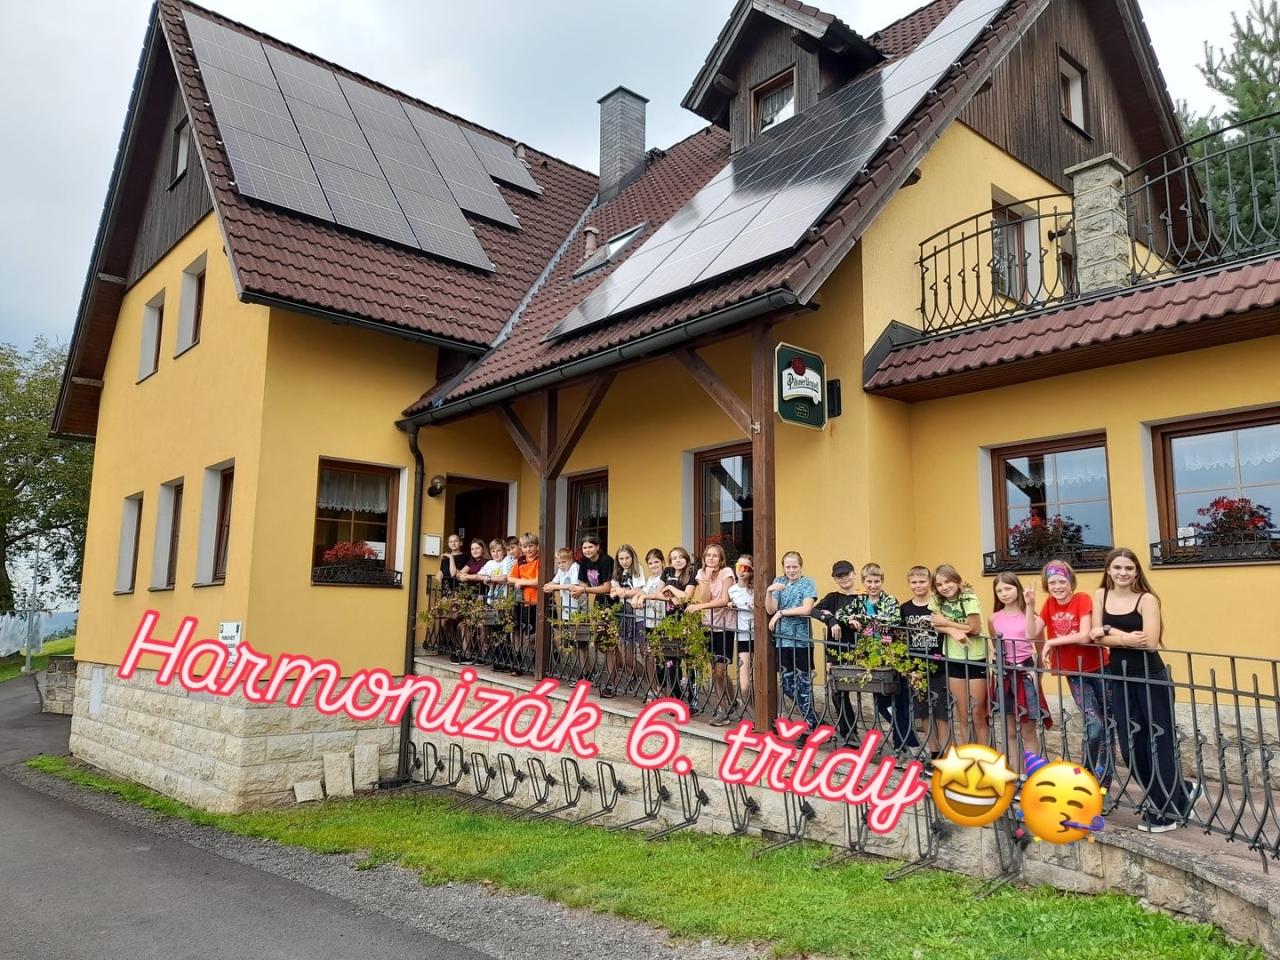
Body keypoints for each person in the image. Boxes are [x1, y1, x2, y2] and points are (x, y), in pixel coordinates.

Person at [1090, 548, 1201, 833]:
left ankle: (1168, 810)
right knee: (1131, 747)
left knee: (1159, 743)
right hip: (1120, 678)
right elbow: (1094, 636)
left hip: (1151, 677)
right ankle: (1182, 791)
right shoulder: (1100, 595)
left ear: (1136, 571)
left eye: (1129, 568)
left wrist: (1109, 632)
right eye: (1117, 567)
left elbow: (1149, 643)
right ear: (1108, 570)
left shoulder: (1146, 599)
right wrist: (1126, 638)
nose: (1123, 573)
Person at [1038, 559, 1113, 790]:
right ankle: (1087, 775)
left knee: (1108, 723)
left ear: (1071, 582)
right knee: (1095, 724)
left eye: (1062, 581)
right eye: (1052, 582)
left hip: (1099, 668)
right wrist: (1029, 605)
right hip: (1074, 672)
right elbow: (1032, 631)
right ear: (1047, 585)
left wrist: (1051, 642)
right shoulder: (1049, 604)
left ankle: (1104, 781)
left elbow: (1084, 635)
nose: (1057, 586)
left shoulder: (1082, 599)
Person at [989, 572, 1049, 772]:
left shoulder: (1032, 616)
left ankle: (1034, 774)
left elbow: (1040, 650)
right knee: (1009, 731)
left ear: (1018, 588)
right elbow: (996, 646)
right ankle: (1015, 773)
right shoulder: (994, 618)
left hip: (1026, 673)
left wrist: (1037, 678)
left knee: (1028, 730)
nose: (1004, 593)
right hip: (1004, 675)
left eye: (1008, 588)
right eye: (999, 590)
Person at [929, 564, 988, 746]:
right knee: (962, 714)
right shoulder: (937, 600)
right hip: (953, 658)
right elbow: (935, 624)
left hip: (975, 658)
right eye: (939, 584)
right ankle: (968, 755)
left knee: (977, 713)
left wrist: (947, 623)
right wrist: (952, 630)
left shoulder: (968, 597)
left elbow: (975, 628)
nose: (944, 587)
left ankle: (985, 756)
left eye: (948, 582)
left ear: (956, 580)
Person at [812, 560, 866, 745]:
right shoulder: (832, 598)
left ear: (854, 574)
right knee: (837, 692)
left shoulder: (863, 597)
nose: (844, 578)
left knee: (870, 691)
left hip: (861, 651)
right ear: (835, 579)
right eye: (839, 576)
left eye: (846, 574)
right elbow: (815, 610)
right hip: (836, 652)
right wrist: (832, 620)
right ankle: (849, 733)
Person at [861, 563, 914, 752]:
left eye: (876, 581)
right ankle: (906, 738)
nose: (873, 585)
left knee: (899, 700)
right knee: (882, 702)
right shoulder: (861, 602)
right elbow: (846, 616)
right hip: (871, 657)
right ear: (863, 582)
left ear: (882, 581)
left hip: (892, 655)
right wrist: (850, 619)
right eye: (869, 581)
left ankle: (904, 743)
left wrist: (869, 621)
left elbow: (893, 621)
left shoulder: (890, 600)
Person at [766, 551, 819, 736]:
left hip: (801, 641)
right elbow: (770, 609)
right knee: (787, 684)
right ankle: (813, 718)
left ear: (801, 567)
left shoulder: (807, 583)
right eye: (788, 567)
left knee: (803, 683)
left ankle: (809, 726)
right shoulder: (779, 581)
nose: (791, 570)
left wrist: (781, 613)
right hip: (782, 640)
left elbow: (806, 609)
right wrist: (769, 592)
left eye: (794, 566)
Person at [900, 565, 948, 755]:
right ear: (909, 583)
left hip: (940, 666)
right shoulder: (905, 609)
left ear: (929, 582)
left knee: (942, 714)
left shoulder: (939, 605)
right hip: (916, 669)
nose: (918, 585)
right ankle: (934, 752)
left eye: (922, 581)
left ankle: (946, 753)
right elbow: (901, 638)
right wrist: (907, 667)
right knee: (924, 713)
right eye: (914, 582)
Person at [687, 543, 737, 724]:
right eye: (708, 555)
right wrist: (707, 578)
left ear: (721, 559)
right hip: (708, 626)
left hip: (724, 626)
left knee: (720, 671)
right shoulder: (701, 574)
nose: (711, 558)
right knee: (716, 671)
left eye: (715, 555)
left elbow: (724, 599)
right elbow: (705, 598)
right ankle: (726, 706)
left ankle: (725, 707)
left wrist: (699, 607)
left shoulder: (727, 573)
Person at [572, 536, 616, 695]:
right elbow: (583, 583)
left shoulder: (606, 560)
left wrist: (584, 590)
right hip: (598, 603)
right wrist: (580, 590)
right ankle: (598, 675)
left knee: (609, 644)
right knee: (600, 642)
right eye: (585, 548)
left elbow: (606, 587)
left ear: (598, 547)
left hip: (613, 603)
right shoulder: (584, 562)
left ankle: (611, 682)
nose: (587, 550)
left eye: (590, 547)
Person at [656, 547, 698, 703]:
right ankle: (677, 697)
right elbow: (658, 592)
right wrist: (671, 598)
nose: (678, 560)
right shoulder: (667, 572)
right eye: (674, 558)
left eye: (681, 557)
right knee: (671, 660)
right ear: (670, 561)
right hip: (670, 622)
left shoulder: (691, 575)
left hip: (686, 621)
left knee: (689, 660)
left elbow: (686, 597)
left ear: (686, 558)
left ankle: (692, 699)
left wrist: (670, 588)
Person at [610, 544, 646, 694]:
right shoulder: (617, 572)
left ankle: (653, 684)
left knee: (645, 652)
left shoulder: (637, 569)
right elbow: (612, 592)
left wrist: (622, 591)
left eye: (627, 558)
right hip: (625, 616)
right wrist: (619, 591)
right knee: (628, 657)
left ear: (632, 557)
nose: (624, 561)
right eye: (621, 559)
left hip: (638, 615)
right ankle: (643, 678)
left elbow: (639, 589)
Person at [633, 548, 667, 701]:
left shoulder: (665, 576)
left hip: (662, 621)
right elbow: (643, 591)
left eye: (656, 562)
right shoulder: (650, 579)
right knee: (650, 655)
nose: (653, 566)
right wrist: (637, 597)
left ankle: (663, 690)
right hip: (650, 621)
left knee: (661, 657)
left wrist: (643, 597)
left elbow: (657, 594)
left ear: (662, 562)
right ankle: (654, 689)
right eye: (650, 563)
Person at [505, 533, 541, 677]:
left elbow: (539, 580)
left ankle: (537, 667)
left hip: (535, 602)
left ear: (537, 546)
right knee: (518, 633)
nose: (528, 549)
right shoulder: (521, 560)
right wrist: (519, 581)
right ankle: (517, 664)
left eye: (530, 546)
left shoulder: (540, 559)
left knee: (533, 636)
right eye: (525, 547)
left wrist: (522, 582)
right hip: (521, 601)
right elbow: (510, 578)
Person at [727, 555, 755, 714]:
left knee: (758, 680)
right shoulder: (731, 590)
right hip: (743, 636)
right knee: (744, 685)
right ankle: (753, 712)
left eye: (747, 568)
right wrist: (729, 603)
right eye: (739, 567)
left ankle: (763, 714)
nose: (742, 571)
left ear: (752, 571)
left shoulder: (756, 589)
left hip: (759, 636)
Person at [543, 547, 580, 620]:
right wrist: (546, 586)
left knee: (575, 624)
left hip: (576, 604)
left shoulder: (574, 567)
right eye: (559, 563)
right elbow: (554, 582)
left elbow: (574, 585)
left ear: (570, 560)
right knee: (566, 624)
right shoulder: (561, 570)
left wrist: (554, 587)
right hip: (566, 603)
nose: (561, 565)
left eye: (563, 562)